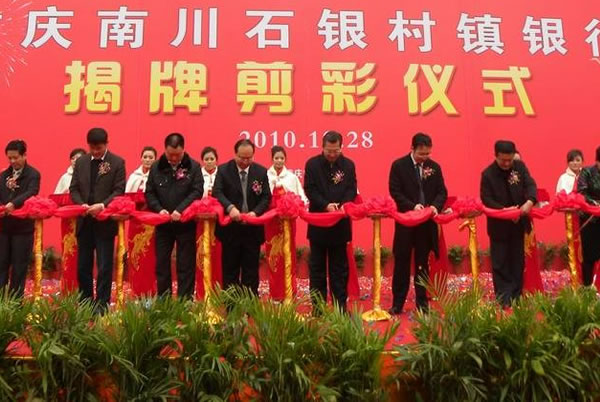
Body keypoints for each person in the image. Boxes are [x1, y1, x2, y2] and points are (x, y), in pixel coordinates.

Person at [388, 133, 448, 315]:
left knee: (422, 263)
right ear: (412, 149)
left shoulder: (434, 167)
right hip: (406, 222)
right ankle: (398, 303)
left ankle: (422, 303)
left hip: (425, 224)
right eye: (421, 154)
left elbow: (442, 192)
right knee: (402, 262)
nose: (424, 157)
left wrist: (435, 206)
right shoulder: (399, 166)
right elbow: (395, 191)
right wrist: (412, 206)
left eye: (427, 153)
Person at [70, 128, 126, 312]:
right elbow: (74, 188)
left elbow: (119, 190)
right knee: (83, 266)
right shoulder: (81, 162)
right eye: (92, 148)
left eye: (99, 148)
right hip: (85, 220)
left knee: (104, 266)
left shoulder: (117, 162)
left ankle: (102, 305)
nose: (95, 151)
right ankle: (85, 304)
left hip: (104, 222)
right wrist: (82, 205)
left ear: (106, 144)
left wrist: (102, 205)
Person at [304, 131, 357, 312]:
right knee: (317, 269)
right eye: (329, 151)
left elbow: (351, 189)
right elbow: (310, 189)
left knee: (339, 270)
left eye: (336, 150)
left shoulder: (348, 165)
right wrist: (326, 205)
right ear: (322, 147)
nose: (332, 154)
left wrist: (342, 206)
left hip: (340, 225)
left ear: (341, 147)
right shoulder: (312, 164)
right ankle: (318, 309)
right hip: (318, 224)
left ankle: (340, 308)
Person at [145, 133, 203, 299]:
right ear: (165, 150)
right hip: (163, 224)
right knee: (162, 263)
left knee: (185, 263)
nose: (174, 158)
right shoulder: (156, 167)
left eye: (177, 155)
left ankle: (185, 301)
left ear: (183, 149)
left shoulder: (194, 167)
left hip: (185, 223)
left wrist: (181, 209)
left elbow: (197, 191)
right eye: (170, 154)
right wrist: (159, 209)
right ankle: (164, 301)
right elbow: (150, 192)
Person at [480, 140, 537, 307]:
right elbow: (486, 199)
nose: (506, 163)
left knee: (517, 261)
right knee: (500, 262)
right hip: (499, 226)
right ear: (496, 156)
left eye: (509, 160)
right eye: (503, 160)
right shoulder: (488, 174)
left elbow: (530, 185)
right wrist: (505, 211)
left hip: (518, 223)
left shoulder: (520, 167)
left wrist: (530, 201)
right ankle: (504, 298)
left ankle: (516, 297)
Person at [213, 139, 271, 296]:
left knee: (251, 271)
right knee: (230, 270)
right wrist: (230, 207)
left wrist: (255, 213)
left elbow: (266, 197)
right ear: (235, 154)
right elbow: (217, 192)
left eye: (249, 158)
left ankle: (250, 305)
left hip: (252, 230)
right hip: (231, 229)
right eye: (242, 158)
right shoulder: (224, 170)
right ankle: (231, 305)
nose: (245, 161)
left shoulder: (261, 171)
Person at [265, 146, 308, 301]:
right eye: (276, 158)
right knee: (273, 256)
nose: (279, 161)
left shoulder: (291, 177)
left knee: (288, 255)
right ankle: (276, 294)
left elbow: (301, 197)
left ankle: (290, 292)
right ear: (272, 159)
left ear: (285, 159)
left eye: (282, 158)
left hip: (288, 223)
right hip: (271, 223)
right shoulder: (265, 176)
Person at [0, 140, 40, 297]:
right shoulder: (3, 175)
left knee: (19, 267)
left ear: (24, 155)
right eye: (9, 158)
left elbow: (32, 192)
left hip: (23, 229)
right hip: (3, 227)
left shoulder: (33, 174)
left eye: (15, 157)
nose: (12, 161)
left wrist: (14, 204)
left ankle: (15, 303)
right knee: (1, 265)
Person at [577, 146, 600, 286]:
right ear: (597, 162)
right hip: (590, 219)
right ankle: (586, 288)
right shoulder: (587, 172)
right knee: (589, 256)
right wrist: (596, 204)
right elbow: (581, 192)